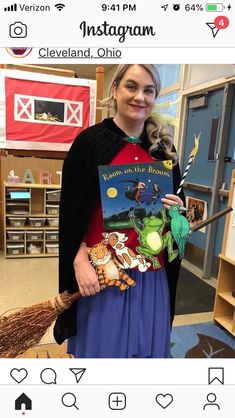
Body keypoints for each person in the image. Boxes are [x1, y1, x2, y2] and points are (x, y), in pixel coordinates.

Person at [53, 64, 185, 358]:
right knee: (104, 354)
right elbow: (71, 215)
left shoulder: (163, 150)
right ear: (115, 89)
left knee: (147, 354)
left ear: (155, 96)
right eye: (131, 86)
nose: (140, 97)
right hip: (104, 274)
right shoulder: (89, 143)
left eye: (148, 90)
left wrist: (178, 213)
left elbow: (178, 214)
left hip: (152, 274)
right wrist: (78, 262)